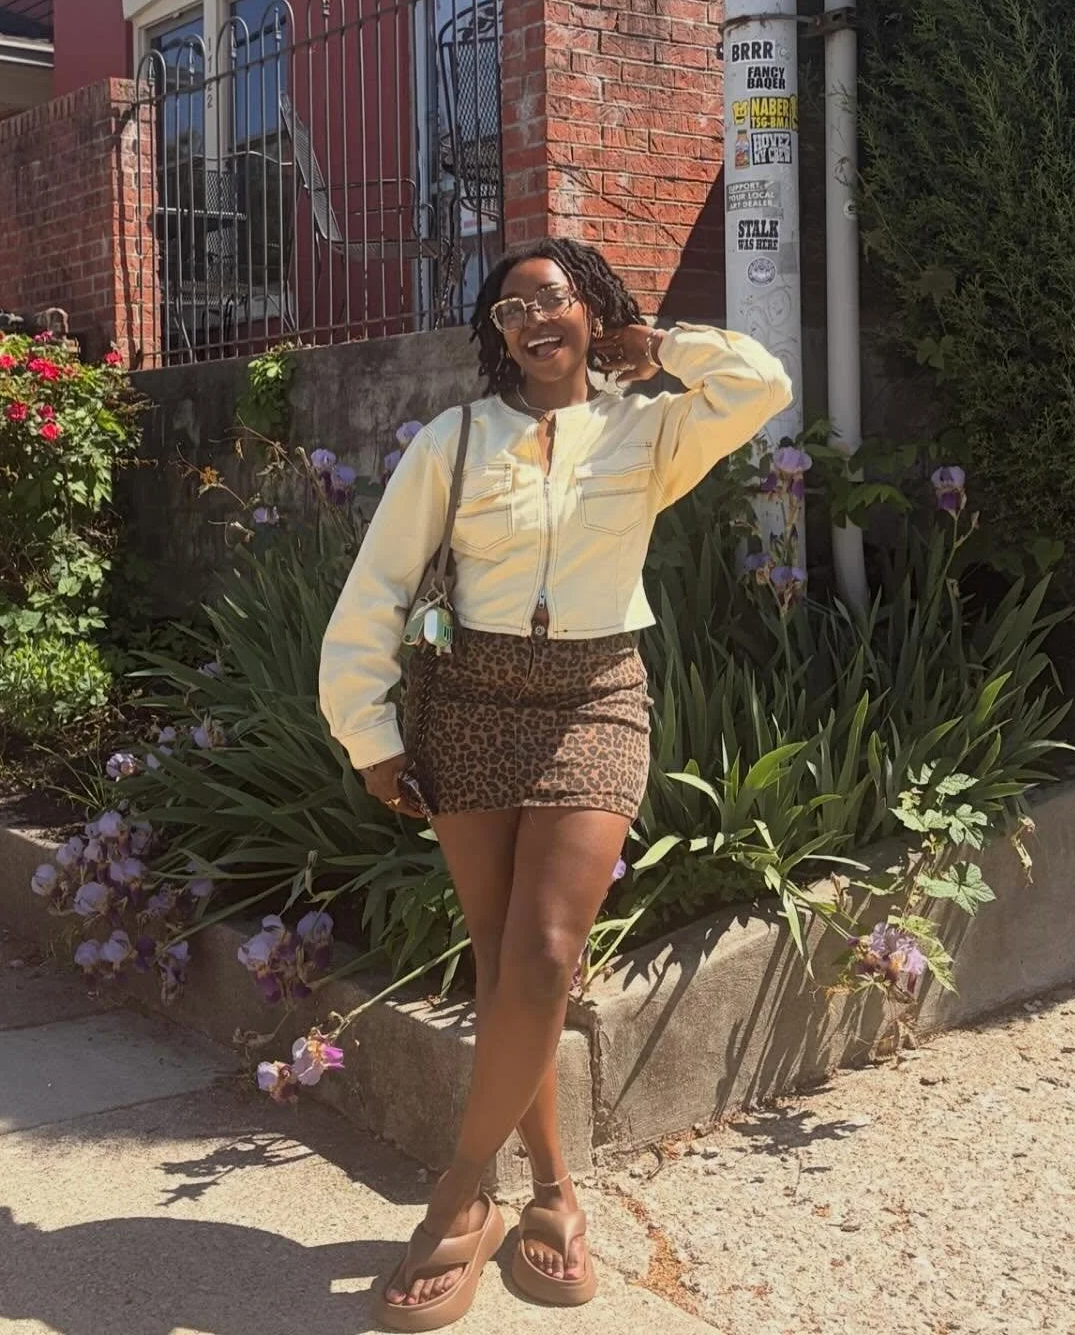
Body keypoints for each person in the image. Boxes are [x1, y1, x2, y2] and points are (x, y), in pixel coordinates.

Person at [318, 238, 793, 1330]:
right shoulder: (454, 440)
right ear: (496, 336)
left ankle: (459, 1194)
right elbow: (377, 585)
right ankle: (552, 1192)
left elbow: (759, 383)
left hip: (594, 698)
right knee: (503, 966)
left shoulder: (651, 429)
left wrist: (655, 345)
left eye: (555, 297)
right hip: (468, 699)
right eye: (510, 308)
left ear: (593, 311)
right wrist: (370, 734)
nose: (533, 318)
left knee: (542, 953)